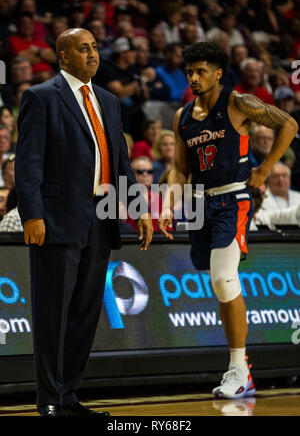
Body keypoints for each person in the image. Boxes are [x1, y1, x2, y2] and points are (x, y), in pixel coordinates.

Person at [15, 27, 153, 417]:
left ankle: (69, 396)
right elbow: (28, 165)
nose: (93, 54)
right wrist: (34, 215)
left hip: (101, 218)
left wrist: (138, 209)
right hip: (56, 220)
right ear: (64, 57)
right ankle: (49, 401)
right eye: (83, 48)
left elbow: (122, 164)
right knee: (53, 313)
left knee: (85, 314)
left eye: (95, 47)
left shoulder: (108, 100)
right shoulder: (41, 97)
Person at [158, 42, 298, 399]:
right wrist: (167, 205)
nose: (193, 77)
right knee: (218, 282)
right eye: (189, 71)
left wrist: (264, 168)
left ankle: (239, 368)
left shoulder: (238, 103)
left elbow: (289, 124)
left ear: (219, 72)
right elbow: (178, 168)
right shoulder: (182, 116)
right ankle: (239, 368)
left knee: (223, 278)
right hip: (200, 205)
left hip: (233, 198)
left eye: (201, 70)